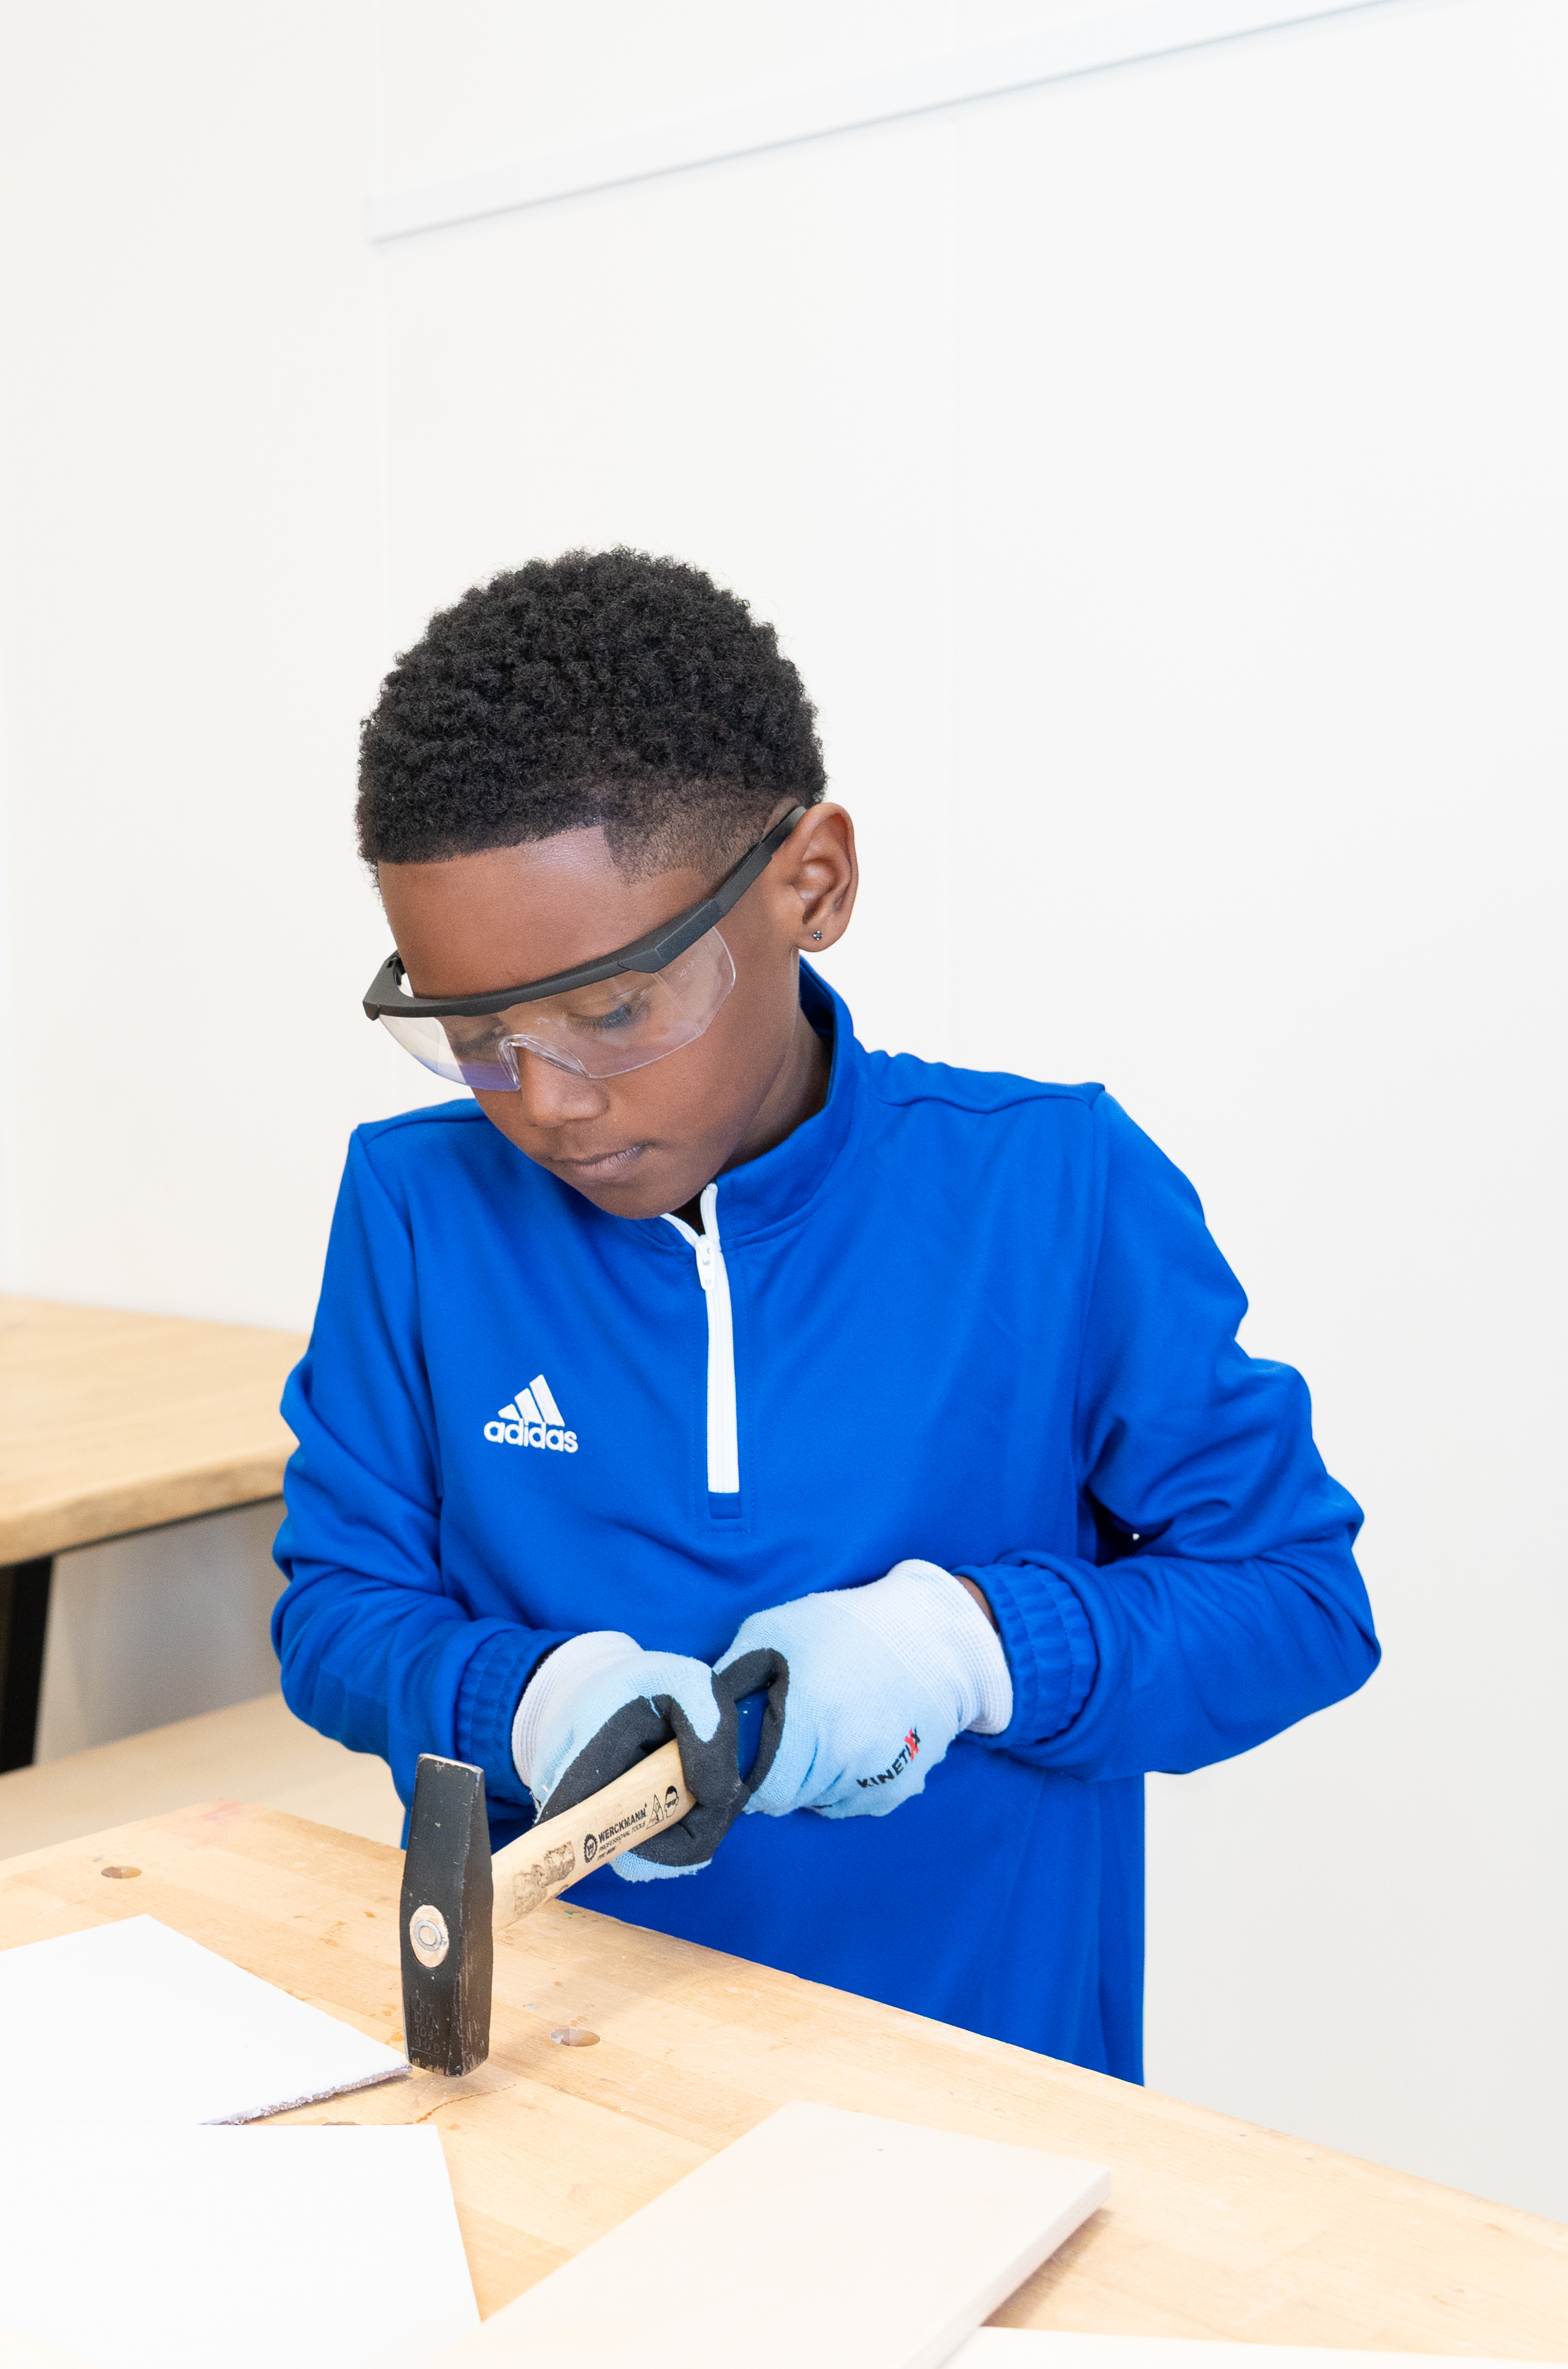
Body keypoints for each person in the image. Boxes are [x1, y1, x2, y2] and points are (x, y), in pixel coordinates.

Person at [271, 548, 1373, 2077]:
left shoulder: (1053, 1185)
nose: (551, 1103)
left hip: (982, 2073)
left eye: (610, 1009)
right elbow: (333, 1617)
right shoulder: (416, 1206)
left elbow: (1296, 1604)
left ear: (813, 882)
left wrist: (975, 1648)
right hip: (565, 2065)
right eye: (475, 1037)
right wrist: (530, 1698)